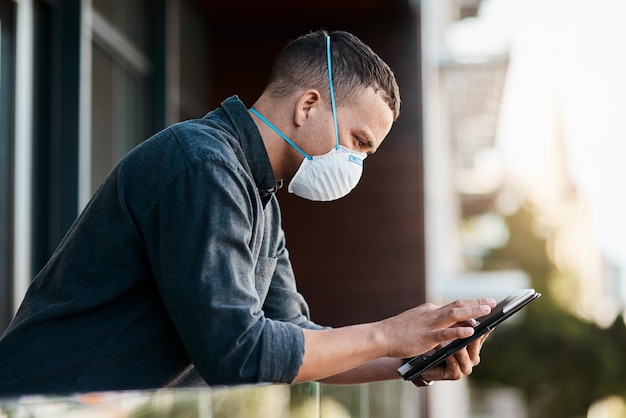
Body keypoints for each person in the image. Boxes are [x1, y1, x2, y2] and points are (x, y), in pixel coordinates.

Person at [0, 30, 496, 395]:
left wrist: (407, 357)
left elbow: (295, 340)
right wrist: (388, 333)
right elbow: (239, 354)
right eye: (358, 143)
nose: (358, 165)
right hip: (40, 403)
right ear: (308, 105)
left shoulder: (260, 199)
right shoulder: (202, 165)